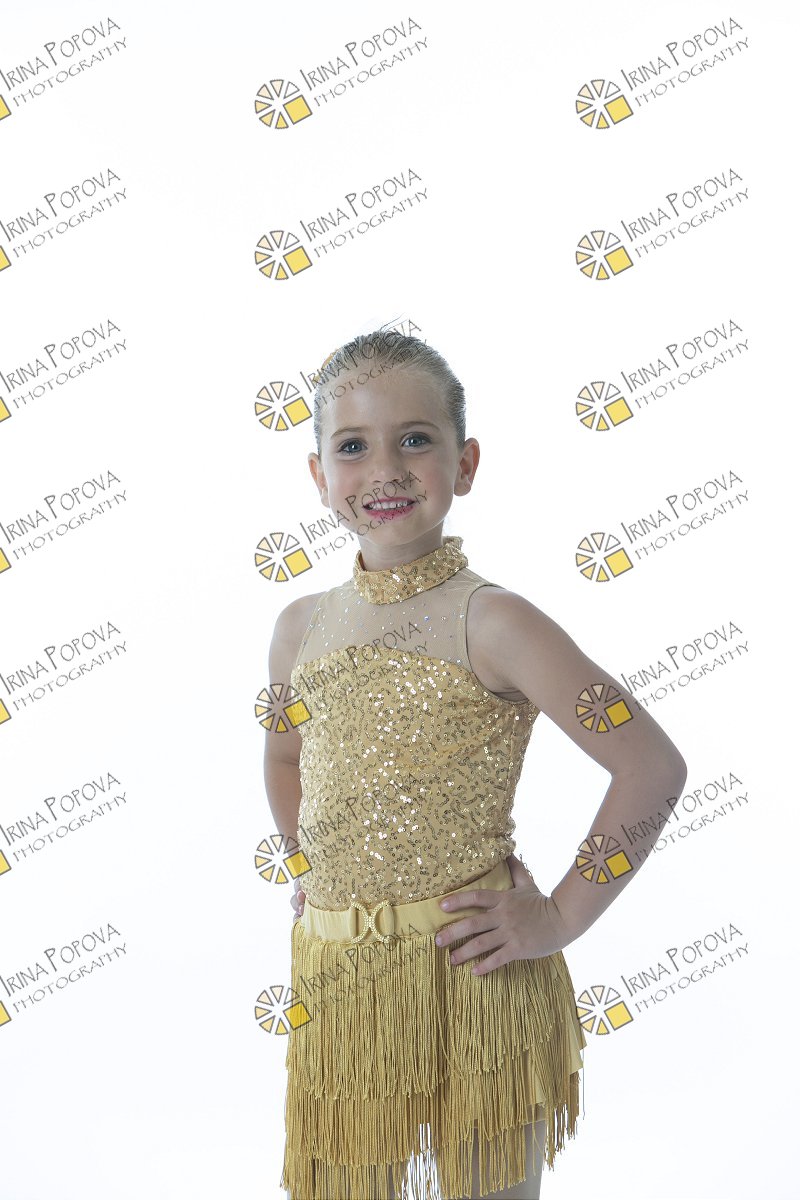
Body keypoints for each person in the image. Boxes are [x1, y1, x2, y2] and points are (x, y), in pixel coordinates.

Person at [265, 329, 687, 1200]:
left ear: (465, 464)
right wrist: (308, 864)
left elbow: (650, 766)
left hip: (475, 980)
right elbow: (283, 755)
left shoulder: (495, 623)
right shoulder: (298, 627)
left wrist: (560, 917)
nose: (385, 469)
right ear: (318, 475)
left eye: (415, 439)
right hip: (341, 987)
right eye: (353, 446)